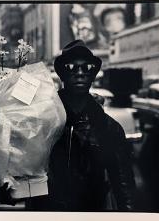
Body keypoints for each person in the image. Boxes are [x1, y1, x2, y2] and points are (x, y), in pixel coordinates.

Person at [48, 39, 136, 211]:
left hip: (91, 216)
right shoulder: (44, 119)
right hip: (47, 216)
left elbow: (124, 185)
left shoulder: (109, 128)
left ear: (92, 74)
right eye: (71, 67)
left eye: (86, 67)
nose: (80, 72)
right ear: (62, 74)